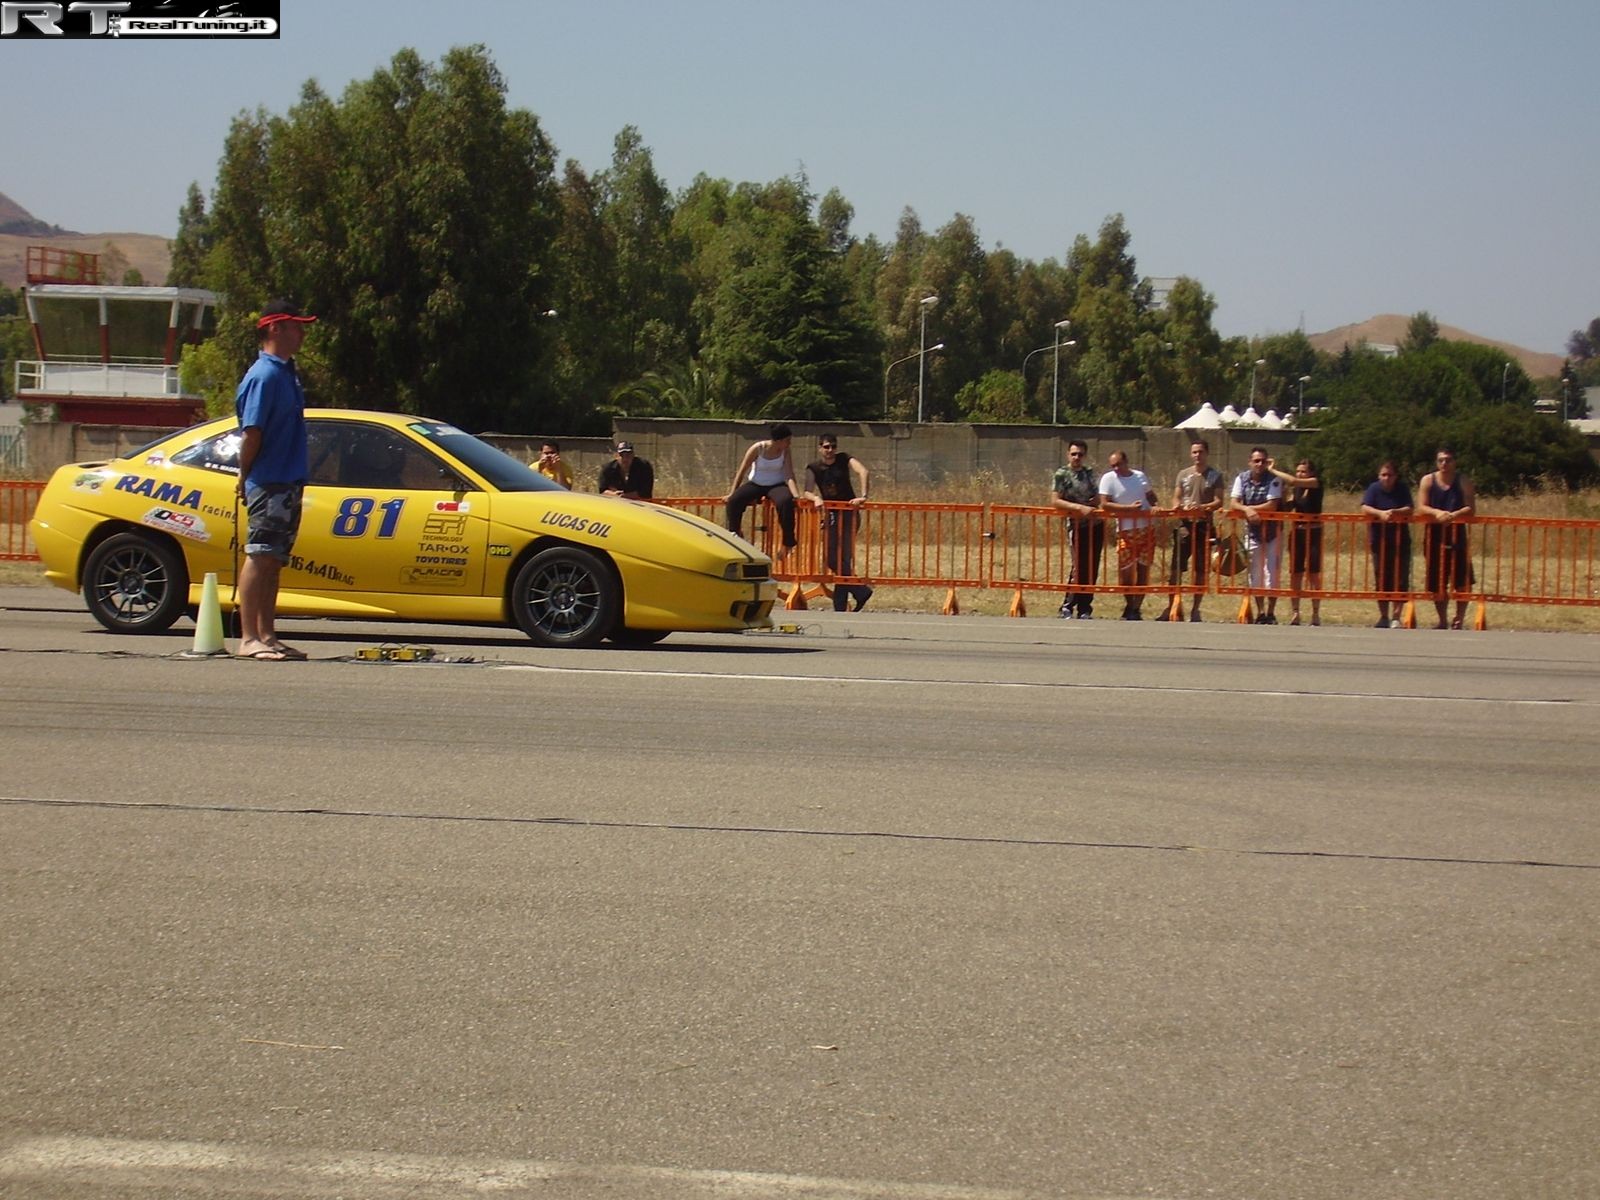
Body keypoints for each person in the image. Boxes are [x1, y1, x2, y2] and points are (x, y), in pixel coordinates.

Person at [233, 299, 316, 661]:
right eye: (297, 326)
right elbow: (252, 431)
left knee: (275, 559)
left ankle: (267, 634)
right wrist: (244, 474)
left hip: (288, 478)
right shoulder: (263, 375)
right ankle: (248, 637)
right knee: (260, 554)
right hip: (269, 479)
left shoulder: (286, 373)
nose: (302, 333)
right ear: (275, 328)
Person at [803, 433, 873, 611]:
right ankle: (860, 591)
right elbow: (807, 491)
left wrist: (863, 497)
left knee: (844, 558)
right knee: (832, 559)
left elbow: (863, 471)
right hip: (832, 513)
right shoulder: (814, 467)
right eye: (826, 447)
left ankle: (840, 604)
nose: (830, 450)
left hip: (849, 512)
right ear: (820, 448)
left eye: (833, 446)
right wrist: (815, 498)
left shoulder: (843, 459)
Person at [1160, 438, 1224, 622]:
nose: (1197, 455)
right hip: (1184, 526)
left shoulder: (1215, 475)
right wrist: (1178, 507)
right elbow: (1176, 497)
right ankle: (1172, 606)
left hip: (1204, 526)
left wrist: (1203, 507)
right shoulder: (1183, 474)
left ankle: (1196, 609)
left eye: (1201, 452)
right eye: (1194, 452)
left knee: (1200, 570)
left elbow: (1219, 501)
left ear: (1207, 453)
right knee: (1176, 569)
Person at [1416, 446, 1476, 629]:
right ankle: (1442, 619)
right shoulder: (1428, 480)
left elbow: (1471, 508)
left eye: (1448, 460)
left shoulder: (1463, 480)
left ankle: (1459, 618)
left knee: (1463, 578)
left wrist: (1453, 515)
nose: (1444, 464)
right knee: (1437, 579)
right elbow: (1421, 506)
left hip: (1457, 534)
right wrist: (1437, 513)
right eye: (1441, 460)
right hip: (1433, 534)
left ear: (1454, 462)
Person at [1097, 449, 1158, 620]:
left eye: (1119, 464)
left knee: (1143, 570)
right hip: (1125, 530)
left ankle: (1136, 608)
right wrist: (1129, 509)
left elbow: (1150, 495)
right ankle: (1129, 603)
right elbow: (1104, 504)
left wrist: (1155, 506)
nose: (1116, 468)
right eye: (1113, 466)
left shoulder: (1139, 476)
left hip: (1146, 528)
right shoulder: (1108, 479)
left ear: (1126, 462)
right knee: (1125, 572)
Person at [725, 423, 800, 563]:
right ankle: (735, 533)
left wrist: (796, 495)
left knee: (785, 501)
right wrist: (732, 492)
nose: (789, 443)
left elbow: (789, 475)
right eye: (787, 440)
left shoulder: (785, 452)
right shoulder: (758, 448)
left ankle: (788, 542)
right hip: (756, 483)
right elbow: (742, 470)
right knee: (734, 501)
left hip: (776, 484)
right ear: (778, 440)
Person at [1229, 446, 1284, 624]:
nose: (1259, 464)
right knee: (1255, 573)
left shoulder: (1274, 479)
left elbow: (1272, 504)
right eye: (1256, 461)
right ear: (1250, 462)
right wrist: (1246, 509)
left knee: (1272, 572)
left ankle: (1271, 612)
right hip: (1252, 533)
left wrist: (1251, 510)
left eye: (1263, 461)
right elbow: (1234, 502)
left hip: (1273, 533)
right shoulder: (1242, 478)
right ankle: (1260, 612)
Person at [1049, 439, 1103, 619]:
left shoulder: (1089, 473)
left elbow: (1098, 495)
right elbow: (1055, 500)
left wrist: (1094, 502)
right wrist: (1078, 508)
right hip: (1076, 524)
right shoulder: (1062, 474)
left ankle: (1085, 606)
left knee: (1092, 566)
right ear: (1068, 455)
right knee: (1078, 566)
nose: (1077, 457)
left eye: (1080, 454)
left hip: (1094, 524)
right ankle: (1068, 604)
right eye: (1073, 454)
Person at [1268, 455, 1324, 626]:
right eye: (1298, 471)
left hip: (1313, 532)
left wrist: (1272, 470)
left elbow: (1292, 480)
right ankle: (1295, 612)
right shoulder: (1297, 490)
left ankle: (1315, 613)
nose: (1300, 474)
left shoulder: (1315, 483)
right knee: (1296, 573)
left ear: (1311, 473)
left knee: (1313, 574)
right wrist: (1283, 497)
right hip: (1298, 532)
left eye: (1304, 471)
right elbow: (1289, 506)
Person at [1360, 460, 1413, 628]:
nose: (1387, 478)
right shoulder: (1373, 488)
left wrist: (1395, 512)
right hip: (1379, 540)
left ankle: (1396, 616)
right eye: (1383, 475)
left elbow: (1410, 508)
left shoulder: (1402, 489)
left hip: (1400, 539)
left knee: (1400, 578)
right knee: (1381, 577)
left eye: (1390, 475)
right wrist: (1380, 514)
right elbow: (1365, 507)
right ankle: (1383, 616)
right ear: (1378, 476)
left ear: (1396, 476)